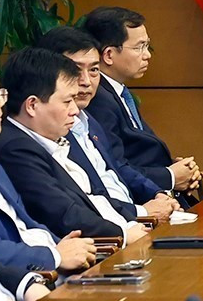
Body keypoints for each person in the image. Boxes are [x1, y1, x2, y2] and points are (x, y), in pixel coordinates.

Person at [0, 43, 95, 277]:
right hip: (23, 287)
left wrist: (64, 247)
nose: (3, 102)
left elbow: (27, 224)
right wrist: (55, 255)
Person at [0, 49, 145, 245]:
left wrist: (135, 220)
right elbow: (62, 213)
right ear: (32, 105)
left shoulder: (49, 138)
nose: (74, 111)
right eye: (67, 101)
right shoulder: (15, 148)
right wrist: (124, 234)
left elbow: (94, 198)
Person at [37, 27, 178, 223]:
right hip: (115, 231)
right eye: (75, 70)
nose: (86, 81)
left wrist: (158, 194)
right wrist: (142, 213)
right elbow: (86, 201)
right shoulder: (50, 130)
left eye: (94, 70)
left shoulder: (89, 121)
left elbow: (118, 167)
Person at [80, 7, 200, 198]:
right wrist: (169, 176)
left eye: (147, 46)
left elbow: (139, 151)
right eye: (139, 47)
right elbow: (114, 166)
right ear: (109, 55)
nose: (147, 55)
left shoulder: (118, 91)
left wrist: (179, 170)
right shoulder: (96, 98)